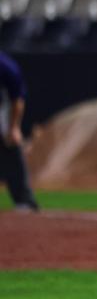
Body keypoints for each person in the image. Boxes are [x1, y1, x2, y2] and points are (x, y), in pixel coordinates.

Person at [0, 51, 39, 211]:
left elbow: (17, 98)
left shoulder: (5, 65)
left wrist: (14, 127)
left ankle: (24, 201)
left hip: (2, 110)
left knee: (12, 147)